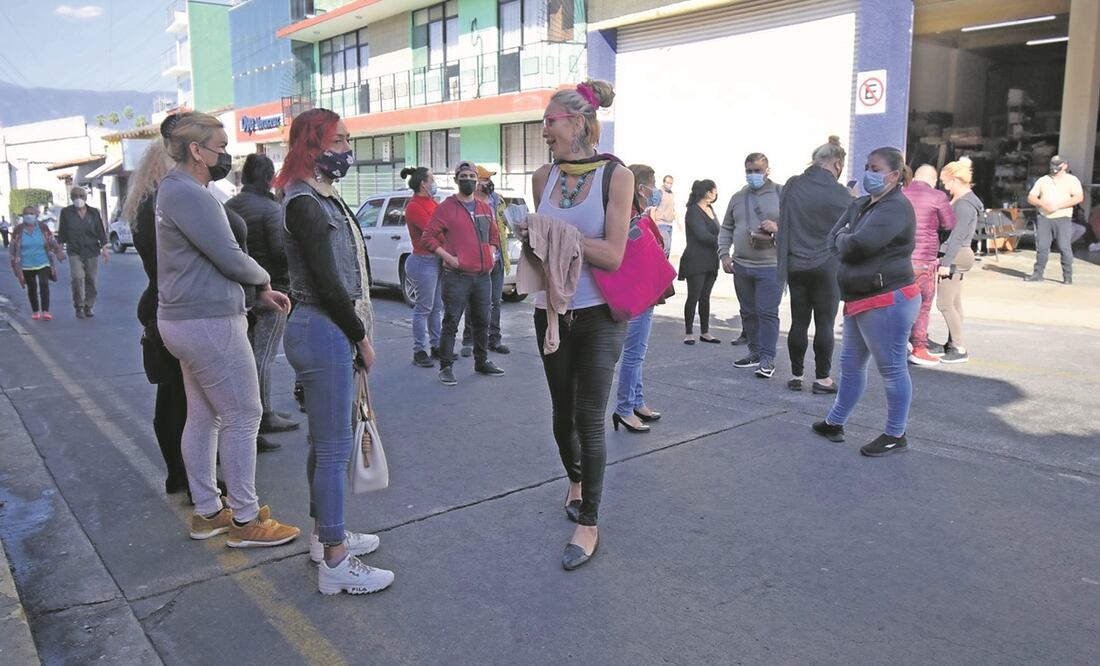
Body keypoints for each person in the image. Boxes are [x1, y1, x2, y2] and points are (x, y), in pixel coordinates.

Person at [155, 111, 299, 547]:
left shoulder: (177, 190)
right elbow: (230, 256)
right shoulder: (189, 193)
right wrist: (264, 280)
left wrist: (255, 294)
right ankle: (244, 518)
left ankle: (208, 511)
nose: (225, 155)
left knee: (205, 416)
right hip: (207, 322)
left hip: (188, 320)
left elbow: (205, 262)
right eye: (219, 147)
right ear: (196, 151)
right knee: (243, 414)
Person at [276, 108, 393, 596]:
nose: (347, 149)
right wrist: (360, 338)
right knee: (332, 448)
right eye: (339, 140)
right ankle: (335, 561)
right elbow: (328, 284)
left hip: (322, 329)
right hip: (322, 329)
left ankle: (326, 534)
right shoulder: (305, 203)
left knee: (325, 442)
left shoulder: (319, 196)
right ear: (312, 144)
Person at [530, 79, 632, 570]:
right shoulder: (542, 178)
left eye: (550, 121)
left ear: (577, 123)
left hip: (600, 315)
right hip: (551, 312)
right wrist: (534, 237)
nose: (544, 130)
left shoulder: (617, 176)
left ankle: (588, 521)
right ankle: (575, 479)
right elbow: (541, 248)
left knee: (590, 417)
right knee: (561, 413)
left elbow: (612, 255)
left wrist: (555, 236)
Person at [812, 146, 918, 457]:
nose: (868, 173)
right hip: (860, 297)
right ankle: (834, 422)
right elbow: (833, 239)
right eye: (867, 166)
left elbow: (859, 244)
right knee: (850, 365)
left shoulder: (895, 208)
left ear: (894, 175)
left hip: (885, 298)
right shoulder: (861, 204)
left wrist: (845, 239)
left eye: (876, 168)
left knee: (891, 368)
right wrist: (845, 239)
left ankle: (895, 434)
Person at [226, 154, 300, 436]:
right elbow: (281, 252)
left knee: (245, 356)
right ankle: (263, 414)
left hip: (239, 291)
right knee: (263, 356)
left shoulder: (229, 206)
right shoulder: (271, 210)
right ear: (270, 178)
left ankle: (256, 411)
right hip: (272, 289)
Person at [777, 136, 853, 393]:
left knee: (798, 320)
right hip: (827, 264)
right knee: (824, 323)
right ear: (837, 163)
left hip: (795, 263)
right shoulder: (841, 193)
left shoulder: (793, 184)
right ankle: (822, 378)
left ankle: (796, 375)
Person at [421, 160, 506, 386]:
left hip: (482, 276)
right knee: (451, 322)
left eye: (471, 177)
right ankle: (446, 367)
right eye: (463, 177)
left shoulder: (484, 208)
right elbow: (428, 238)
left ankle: (481, 361)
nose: (468, 180)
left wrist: (492, 252)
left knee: (482, 321)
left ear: (477, 181)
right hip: (457, 277)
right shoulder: (446, 207)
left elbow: (494, 235)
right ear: (456, 180)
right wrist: (450, 258)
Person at [612, 163, 666, 434]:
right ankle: (624, 409)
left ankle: (637, 401)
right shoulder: (630, 218)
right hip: (638, 293)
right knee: (634, 354)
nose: (656, 190)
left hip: (643, 292)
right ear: (642, 188)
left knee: (638, 352)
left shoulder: (636, 215)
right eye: (653, 185)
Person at [719, 152, 783, 379]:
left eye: (757, 170)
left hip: (771, 266)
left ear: (767, 170)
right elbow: (726, 227)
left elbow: (797, 226)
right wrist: (724, 255)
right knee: (748, 312)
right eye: (749, 171)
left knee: (767, 313)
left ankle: (767, 358)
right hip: (741, 265)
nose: (753, 175)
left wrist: (777, 228)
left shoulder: (781, 193)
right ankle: (754, 352)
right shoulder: (738, 197)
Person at [902, 164, 956, 366]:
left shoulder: (900, 193)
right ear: (933, 180)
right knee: (922, 306)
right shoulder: (938, 196)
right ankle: (919, 348)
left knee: (897, 303)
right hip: (924, 260)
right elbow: (949, 224)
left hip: (899, 259)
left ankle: (896, 346)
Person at [460, 164, 511, 356]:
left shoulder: (497, 200)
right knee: (474, 300)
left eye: (490, 179)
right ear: (475, 182)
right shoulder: (468, 202)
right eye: (485, 179)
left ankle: (494, 339)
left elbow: (504, 224)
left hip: (497, 258)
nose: (489, 183)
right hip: (477, 259)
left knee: (495, 301)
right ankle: (469, 340)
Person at [935, 157, 981, 364]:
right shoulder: (966, 201)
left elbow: (957, 236)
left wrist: (946, 263)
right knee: (954, 302)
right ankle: (953, 342)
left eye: (945, 182)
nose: (944, 186)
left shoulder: (963, 205)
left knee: (944, 303)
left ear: (954, 180)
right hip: (960, 253)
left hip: (955, 254)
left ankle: (959, 347)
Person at [401, 165, 444, 368]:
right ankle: (419, 350)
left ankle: (436, 346)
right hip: (424, 261)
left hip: (436, 259)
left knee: (436, 307)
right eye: (431, 180)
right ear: (422, 184)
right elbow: (433, 231)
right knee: (424, 308)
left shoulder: (432, 202)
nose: (434, 183)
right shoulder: (414, 207)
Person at [1025, 155, 1084, 285]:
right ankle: (1038, 274)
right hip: (1044, 218)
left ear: (1065, 165)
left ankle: (1067, 276)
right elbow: (1031, 197)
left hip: (1063, 218)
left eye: (1058, 164)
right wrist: (1043, 204)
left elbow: (1078, 197)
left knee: (1064, 246)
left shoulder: (1072, 180)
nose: (1054, 167)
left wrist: (1058, 206)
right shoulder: (1043, 180)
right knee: (1042, 247)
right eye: (1053, 164)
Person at [679, 179, 720, 345]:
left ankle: (705, 332)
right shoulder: (693, 211)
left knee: (705, 297)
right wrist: (722, 242)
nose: (716, 194)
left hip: (711, 258)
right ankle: (689, 333)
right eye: (714, 191)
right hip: (695, 259)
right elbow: (702, 235)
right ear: (707, 192)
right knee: (693, 296)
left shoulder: (710, 209)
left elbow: (717, 230)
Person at [57, 186, 108, 318]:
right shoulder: (66, 212)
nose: (78, 199)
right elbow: (62, 231)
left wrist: (105, 249)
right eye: (75, 196)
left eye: (81, 196)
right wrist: (59, 250)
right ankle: (79, 306)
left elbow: (100, 230)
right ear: (71, 198)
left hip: (92, 249)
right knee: (77, 277)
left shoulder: (93, 212)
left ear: (85, 198)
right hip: (74, 250)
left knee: (91, 279)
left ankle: (88, 306)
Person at [10, 205, 64, 320]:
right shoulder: (18, 230)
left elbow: (51, 240)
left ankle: (45, 310)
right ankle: (35, 310)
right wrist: (14, 262)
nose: (29, 216)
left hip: (43, 261)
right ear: (23, 216)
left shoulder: (42, 227)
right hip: (26, 264)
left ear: (36, 215)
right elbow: (13, 247)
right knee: (32, 287)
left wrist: (58, 252)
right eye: (26, 214)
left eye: (31, 214)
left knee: (44, 284)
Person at [654, 174, 676, 255]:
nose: (669, 185)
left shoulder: (671, 194)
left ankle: (664, 262)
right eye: (667, 183)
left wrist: (678, 222)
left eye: (671, 183)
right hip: (660, 223)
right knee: (666, 246)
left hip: (669, 224)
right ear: (663, 182)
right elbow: (653, 208)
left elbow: (672, 209)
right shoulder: (659, 193)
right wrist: (653, 223)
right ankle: (660, 262)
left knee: (668, 248)